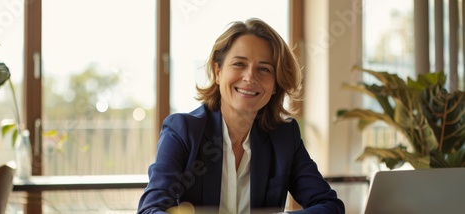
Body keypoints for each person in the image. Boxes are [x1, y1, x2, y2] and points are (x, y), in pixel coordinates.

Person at [138, 18, 344, 214]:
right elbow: (150, 209)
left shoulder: (284, 136)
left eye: (264, 69)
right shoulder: (183, 131)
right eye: (239, 64)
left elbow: (329, 205)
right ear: (218, 72)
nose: (250, 77)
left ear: (275, 84)